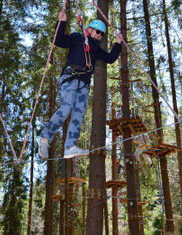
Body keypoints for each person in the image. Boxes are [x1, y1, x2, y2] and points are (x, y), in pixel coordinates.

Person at [37, 10, 123, 159]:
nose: (99, 35)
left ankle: (70, 146)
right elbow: (58, 41)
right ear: (90, 29)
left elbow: (110, 58)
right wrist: (61, 22)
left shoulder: (96, 49)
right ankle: (44, 138)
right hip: (70, 77)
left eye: (101, 34)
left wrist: (118, 43)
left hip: (83, 83)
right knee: (66, 107)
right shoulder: (78, 37)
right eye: (97, 31)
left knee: (79, 114)